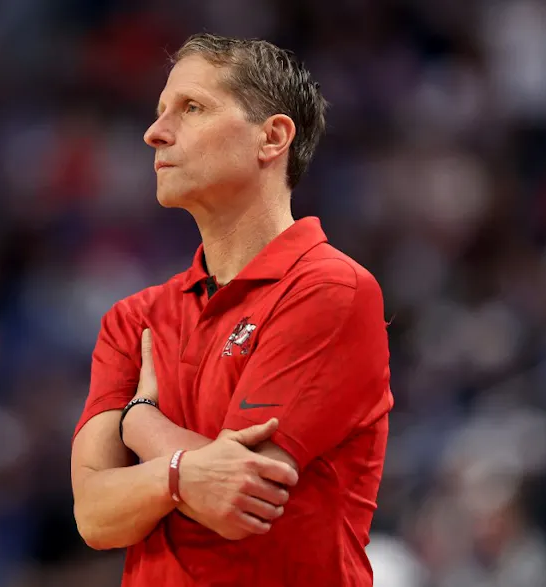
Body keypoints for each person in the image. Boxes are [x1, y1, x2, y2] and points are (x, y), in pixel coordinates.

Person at [71, 32, 394, 586]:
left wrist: (141, 420)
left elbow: (241, 494)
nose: (155, 132)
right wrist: (185, 475)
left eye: (191, 108)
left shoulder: (331, 288)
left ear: (272, 137)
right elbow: (96, 517)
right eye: (159, 112)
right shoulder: (132, 319)